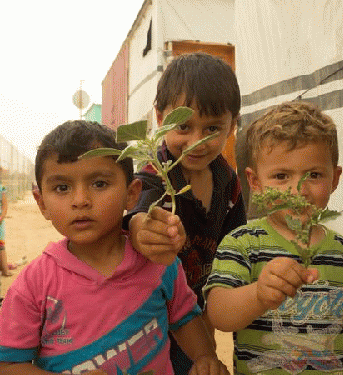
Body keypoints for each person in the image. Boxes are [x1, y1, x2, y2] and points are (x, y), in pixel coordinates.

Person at [0, 120, 229, 375]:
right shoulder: (34, 283)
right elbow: (7, 366)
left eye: (99, 183)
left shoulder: (158, 261)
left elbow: (185, 318)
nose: (80, 200)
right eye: (62, 188)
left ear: (132, 193)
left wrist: (205, 357)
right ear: (42, 202)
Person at [203, 101, 343, 374]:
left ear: (335, 178)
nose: (298, 190)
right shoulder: (242, 244)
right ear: (255, 183)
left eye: (314, 175)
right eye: (281, 176)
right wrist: (258, 295)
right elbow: (219, 313)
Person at [125, 52, 247, 374]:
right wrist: (142, 231)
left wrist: (212, 310)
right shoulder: (156, 173)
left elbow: (235, 247)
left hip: (200, 314)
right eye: (183, 126)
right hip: (153, 319)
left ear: (232, 125)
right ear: (159, 117)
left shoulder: (228, 182)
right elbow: (139, 217)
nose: (196, 142)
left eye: (212, 128)